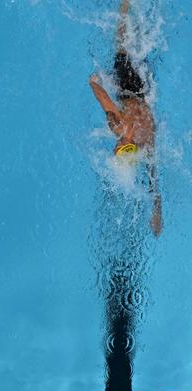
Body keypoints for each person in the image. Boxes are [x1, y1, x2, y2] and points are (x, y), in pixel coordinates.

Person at [88, 0, 162, 236]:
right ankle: (125, 6)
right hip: (129, 87)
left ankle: (138, 13)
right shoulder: (120, 126)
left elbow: (153, 178)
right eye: (120, 150)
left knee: (142, 47)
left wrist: (157, 210)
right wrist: (93, 83)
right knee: (122, 46)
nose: (116, 147)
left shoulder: (148, 141)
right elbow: (104, 100)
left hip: (146, 91)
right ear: (124, 146)